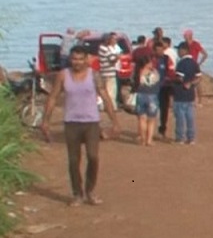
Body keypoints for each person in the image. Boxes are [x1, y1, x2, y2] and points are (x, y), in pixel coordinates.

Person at [41, 45, 120, 207]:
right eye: (74, 59)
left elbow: (105, 98)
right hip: (71, 123)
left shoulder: (94, 75)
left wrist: (115, 122)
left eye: (80, 59)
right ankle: (77, 193)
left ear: (86, 59)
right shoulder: (63, 75)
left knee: (93, 157)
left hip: (91, 122)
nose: (76, 62)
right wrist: (45, 121)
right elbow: (53, 97)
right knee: (73, 160)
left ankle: (90, 191)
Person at [173, 42, 202, 145]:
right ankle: (191, 138)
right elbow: (198, 78)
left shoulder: (181, 63)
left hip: (180, 94)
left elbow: (179, 78)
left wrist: (175, 79)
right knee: (190, 117)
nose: (178, 52)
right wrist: (190, 84)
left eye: (179, 50)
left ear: (183, 50)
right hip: (190, 95)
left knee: (180, 117)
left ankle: (180, 137)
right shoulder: (194, 63)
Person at [133, 55, 161, 146]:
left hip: (140, 95)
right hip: (152, 96)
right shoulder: (154, 72)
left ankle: (143, 139)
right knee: (151, 119)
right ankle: (149, 140)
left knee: (142, 118)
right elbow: (158, 81)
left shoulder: (138, 72)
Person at [152, 41, 175, 139]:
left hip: (164, 87)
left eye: (161, 50)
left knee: (164, 110)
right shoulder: (151, 59)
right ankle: (150, 131)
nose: (160, 52)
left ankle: (162, 130)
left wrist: (169, 79)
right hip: (153, 88)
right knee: (151, 110)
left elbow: (171, 72)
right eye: (158, 50)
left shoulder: (166, 59)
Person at [182, 29, 207, 105]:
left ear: (190, 36)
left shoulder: (195, 44)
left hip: (194, 65)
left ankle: (200, 101)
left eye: (185, 36)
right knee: (185, 81)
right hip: (185, 65)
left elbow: (205, 54)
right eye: (184, 36)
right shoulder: (183, 44)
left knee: (198, 83)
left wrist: (199, 63)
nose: (184, 37)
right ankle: (188, 99)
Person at [98, 32, 120, 111]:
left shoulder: (101, 48)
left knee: (106, 91)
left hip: (104, 72)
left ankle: (106, 106)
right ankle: (111, 107)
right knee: (111, 91)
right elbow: (112, 60)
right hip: (109, 73)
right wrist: (117, 57)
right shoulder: (105, 49)